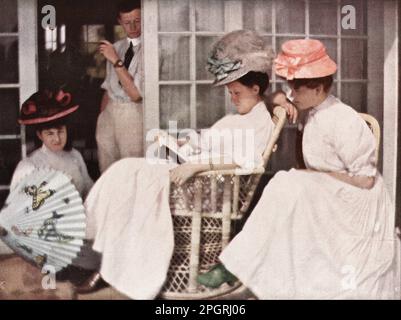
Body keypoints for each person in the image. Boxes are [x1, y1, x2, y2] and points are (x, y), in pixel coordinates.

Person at [75, 30, 296, 298]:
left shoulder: (258, 122)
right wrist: (176, 143)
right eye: (230, 92)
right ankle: (105, 255)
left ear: (256, 89)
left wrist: (196, 167)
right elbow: (204, 142)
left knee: (129, 174)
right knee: (124, 171)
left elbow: (245, 162)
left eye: (236, 92)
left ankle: (109, 264)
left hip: (203, 188)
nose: (232, 98)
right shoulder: (236, 119)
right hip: (191, 178)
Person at [197, 39, 401, 299]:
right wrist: (282, 100)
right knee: (287, 183)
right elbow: (272, 97)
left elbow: (365, 181)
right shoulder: (313, 108)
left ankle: (234, 265)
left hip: (359, 204)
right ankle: (237, 264)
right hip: (328, 195)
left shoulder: (344, 120)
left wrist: (313, 179)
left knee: (287, 183)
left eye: (297, 89)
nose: (292, 94)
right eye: (290, 88)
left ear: (317, 87)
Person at [10, 89, 100, 283]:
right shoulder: (30, 166)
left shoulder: (74, 156)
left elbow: (90, 190)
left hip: (75, 228)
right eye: (50, 133)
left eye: (61, 131)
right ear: (40, 135)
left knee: (104, 253)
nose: (57, 138)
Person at [96, 0, 144, 173]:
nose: (132, 26)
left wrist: (115, 60)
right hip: (110, 112)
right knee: (107, 165)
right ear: (120, 21)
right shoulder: (117, 47)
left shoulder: (150, 49)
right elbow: (108, 88)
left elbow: (136, 95)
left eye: (137, 20)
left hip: (133, 112)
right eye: (127, 22)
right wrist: (102, 117)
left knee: (130, 165)